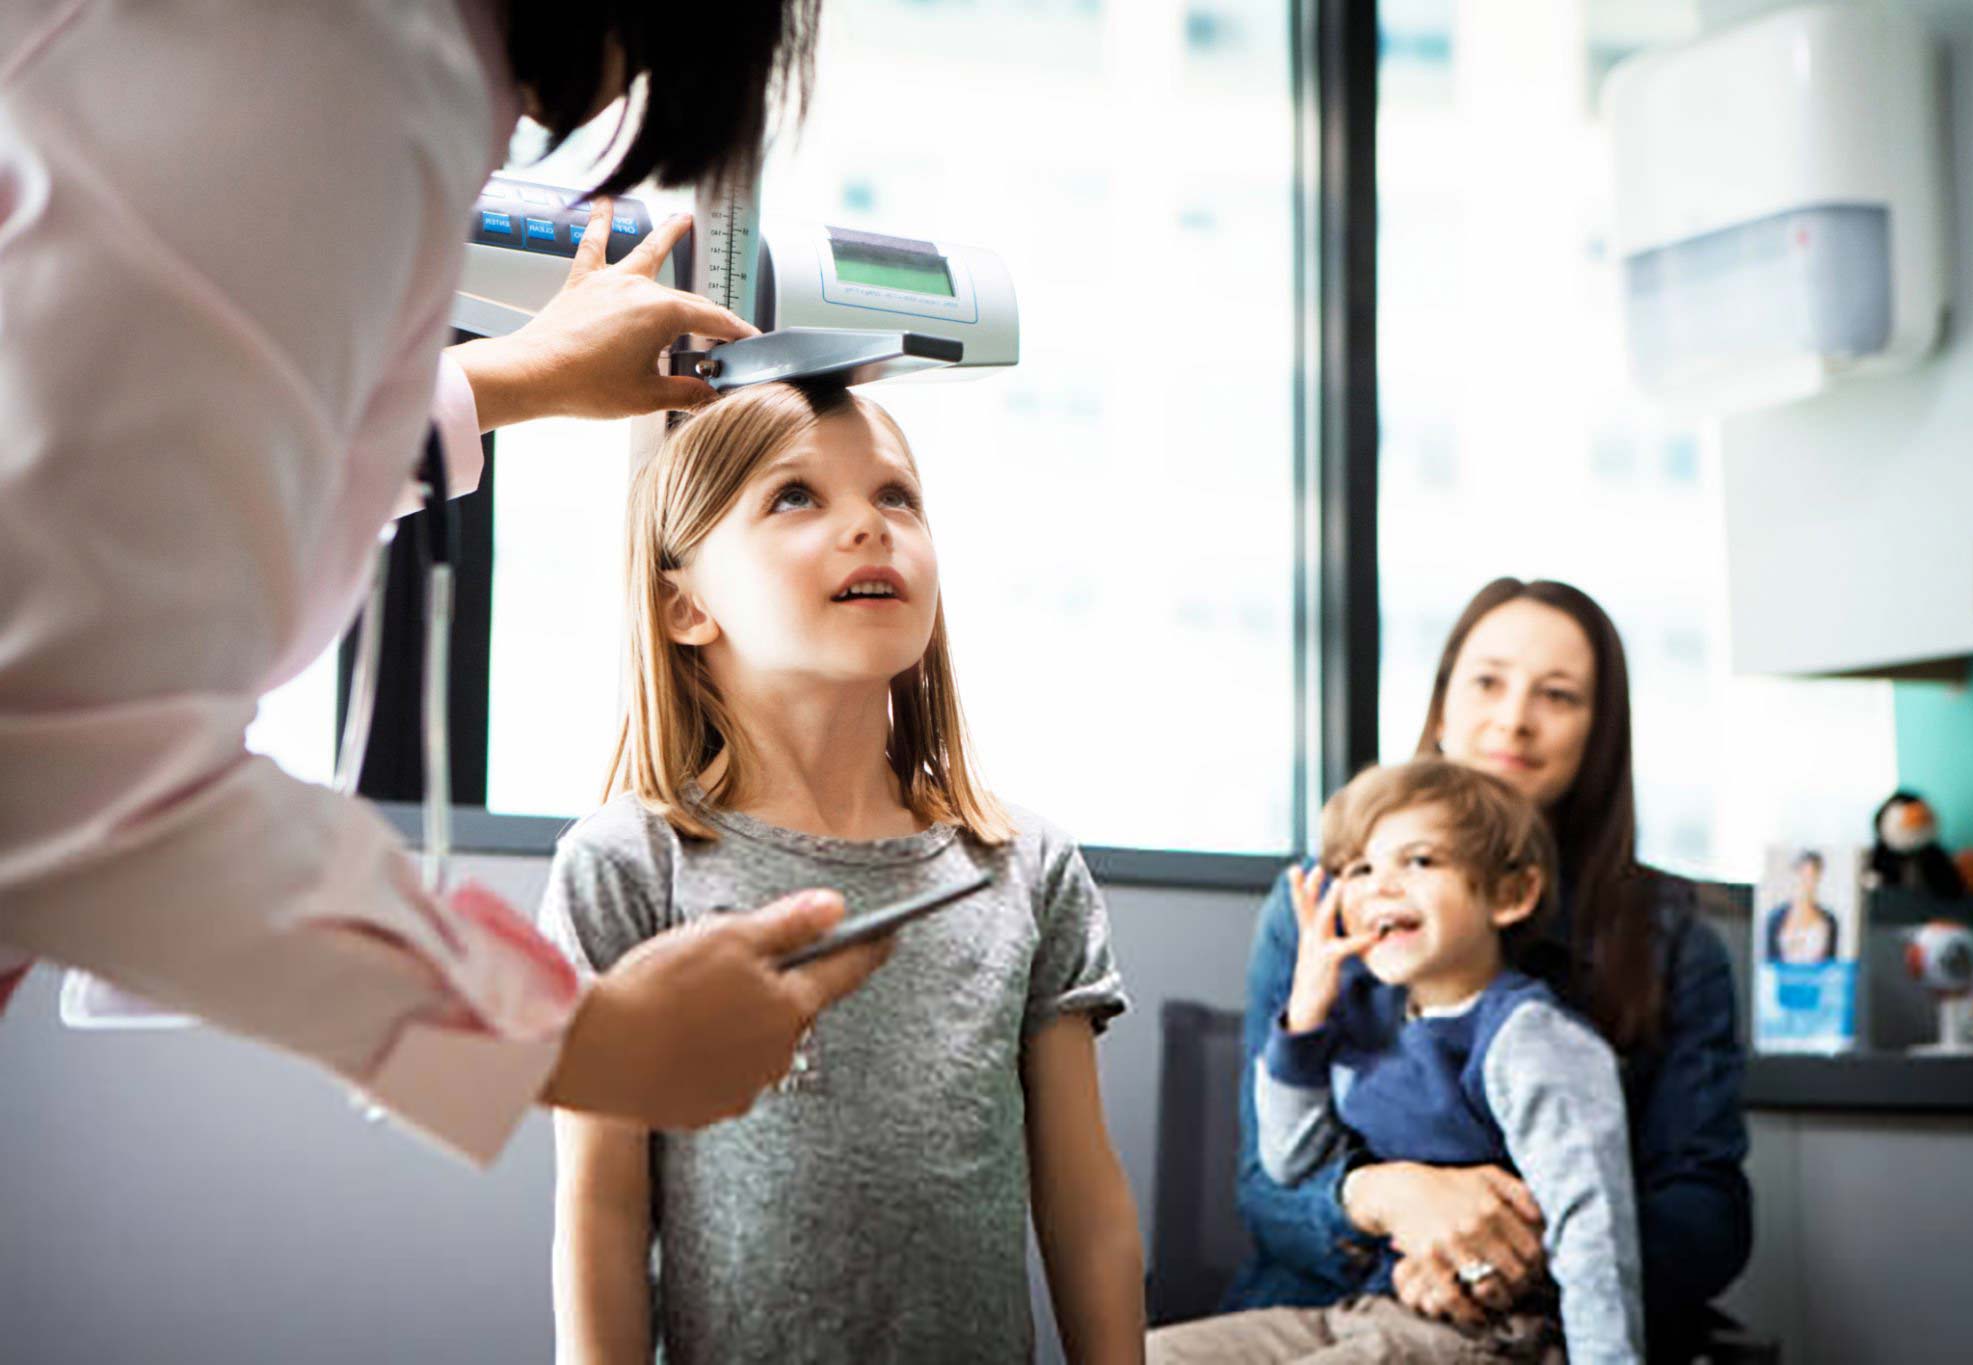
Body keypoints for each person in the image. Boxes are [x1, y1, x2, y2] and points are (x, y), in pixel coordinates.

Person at [0, 0, 889, 1166]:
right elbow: (62, 742)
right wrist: (579, 1043)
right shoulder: (339, 54)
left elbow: (143, 439)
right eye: (792, 500)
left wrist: (503, 384)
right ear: (683, 600)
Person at [539, 381, 1145, 1363]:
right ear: (685, 604)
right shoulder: (626, 866)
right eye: (794, 497)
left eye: (896, 497)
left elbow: (1085, 1205)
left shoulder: (1024, 868)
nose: (869, 525)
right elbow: (602, 1220)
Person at [1195, 579, 1750, 1361]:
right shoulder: (1323, 905)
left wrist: (1503, 1261)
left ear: (1600, 731)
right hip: (1318, 1301)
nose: (1513, 717)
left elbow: (1708, 1215)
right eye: (1487, 681)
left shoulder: (1670, 939)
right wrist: (1391, 1199)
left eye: (1557, 695)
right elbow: (1266, 1185)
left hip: (1531, 1327)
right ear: (1442, 701)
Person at [1155, 759, 1641, 1364]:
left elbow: (1592, 1230)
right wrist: (1304, 1019)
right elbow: (1288, 1158)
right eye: (1359, 868)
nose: (1380, 884)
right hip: (1363, 1309)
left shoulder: (1531, 1039)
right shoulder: (1364, 1015)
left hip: (1493, 1334)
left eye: (1418, 861)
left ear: (1510, 894)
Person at [1764, 851, 1838, 964]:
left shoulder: (1829, 920)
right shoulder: (1775, 918)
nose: (1805, 882)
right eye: (1801, 874)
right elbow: (1770, 962)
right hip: (1785, 979)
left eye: (1811, 876)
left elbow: (1830, 965)